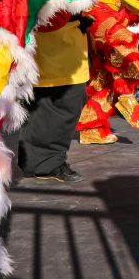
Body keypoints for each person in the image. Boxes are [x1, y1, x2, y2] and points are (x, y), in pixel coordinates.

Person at [17, 19, 90, 183]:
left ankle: (44, 162)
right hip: (39, 44)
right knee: (40, 106)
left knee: (71, 99)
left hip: (69, 48)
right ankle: (38, 163)